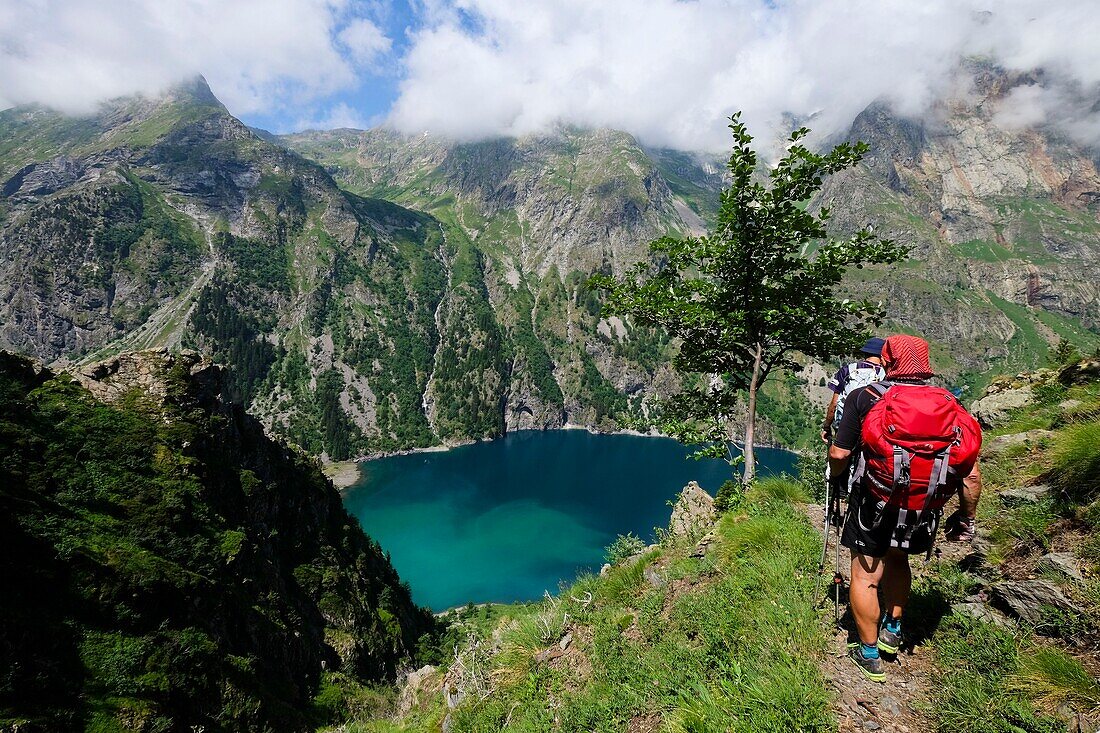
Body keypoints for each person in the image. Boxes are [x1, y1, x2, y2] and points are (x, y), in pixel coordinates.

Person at [828, 335, 983, 682]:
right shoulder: (950, 404)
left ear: (886, 360)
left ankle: (868, 654)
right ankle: (892, 630)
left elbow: (839, 454)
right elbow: (971, 476)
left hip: (875, 501)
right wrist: (966, 516)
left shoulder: (865, 397)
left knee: (866, 577)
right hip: (923, 506)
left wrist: (836, 479)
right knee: (899, 560)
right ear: (926, 367)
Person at [821, 337, 887, 445]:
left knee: (839, 455)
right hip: (873, 430)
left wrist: (827, 426)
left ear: (865, 353)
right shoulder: (886, 375)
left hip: (845, 426)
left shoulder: (848, 370)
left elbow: (834, 404)